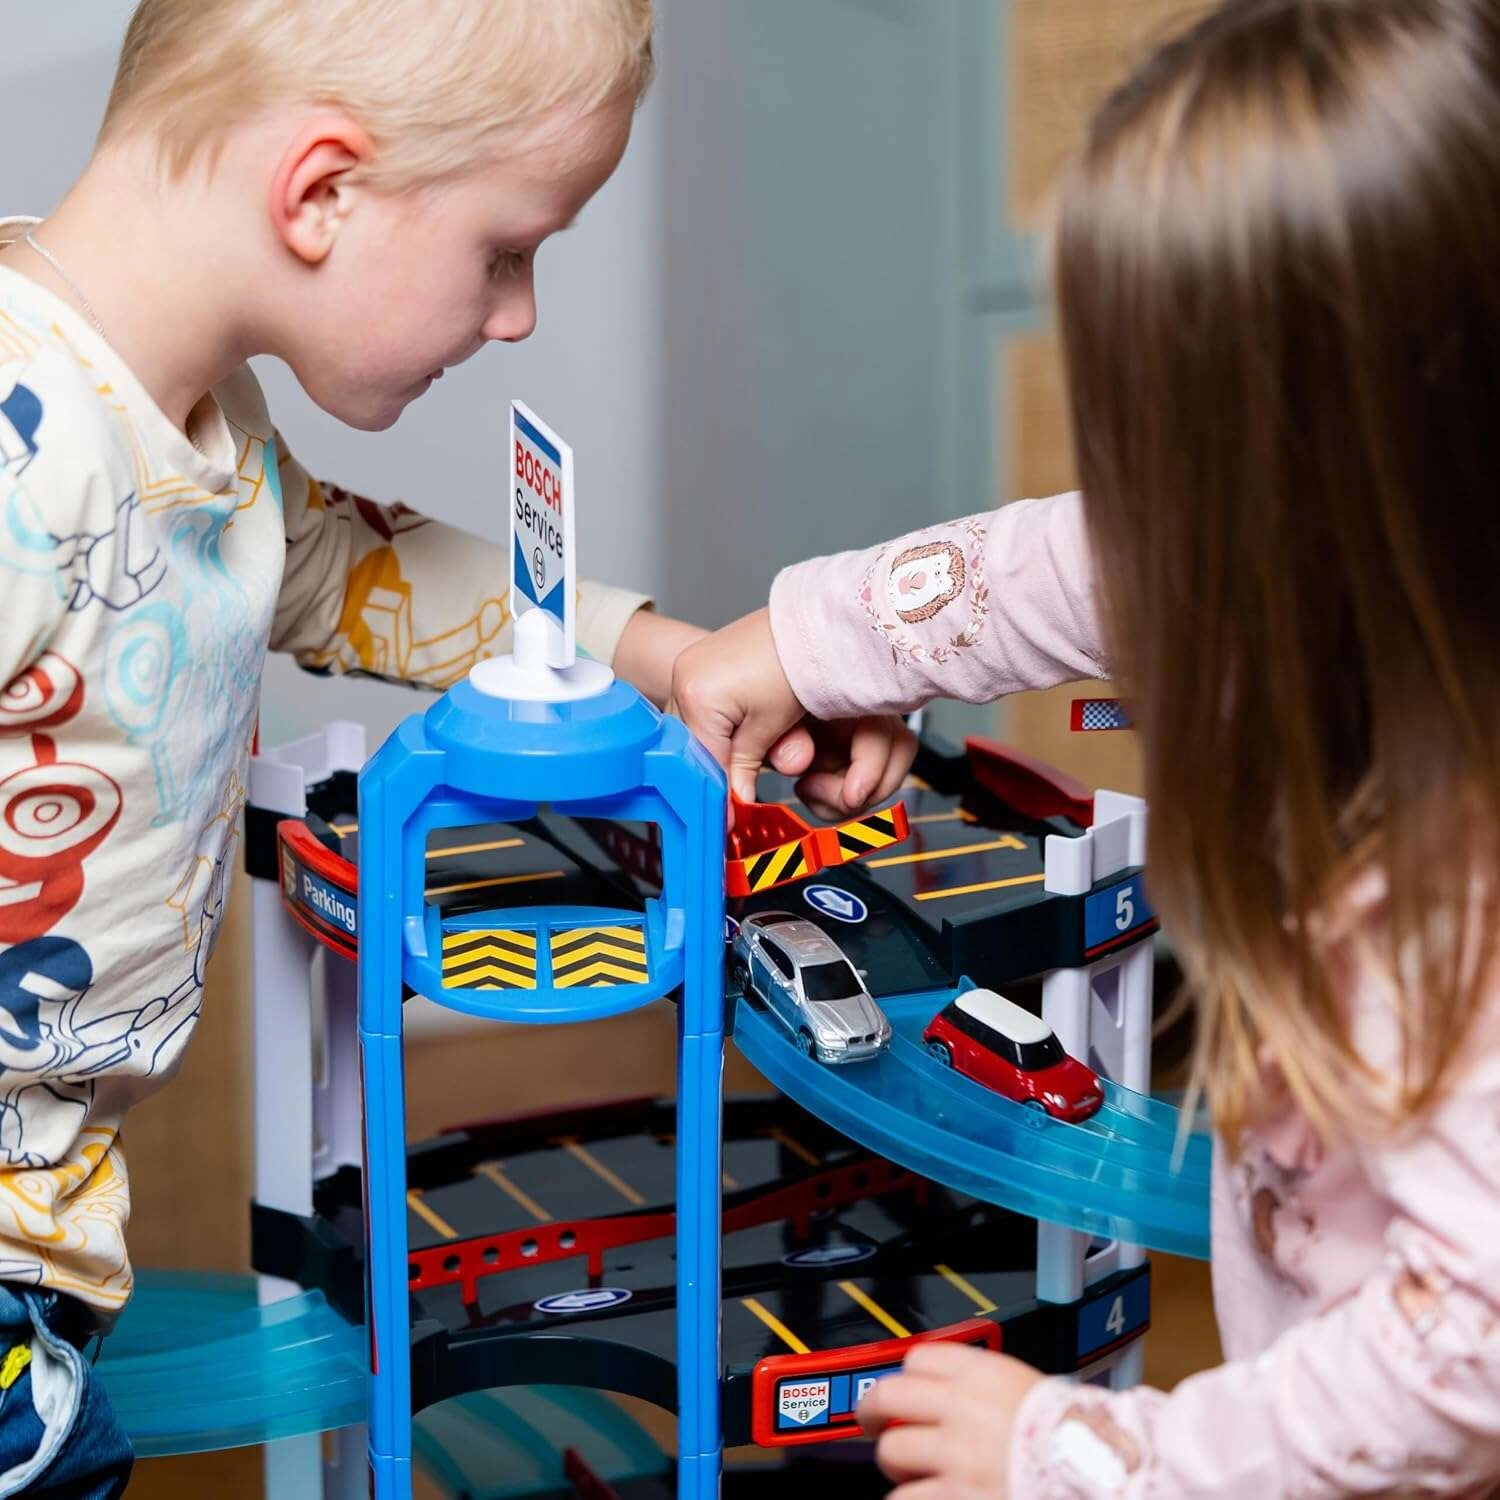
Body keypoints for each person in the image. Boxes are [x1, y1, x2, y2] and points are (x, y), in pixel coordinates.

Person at [670, 0, 1500, 1493]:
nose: (1129, 512)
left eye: (1156, 452)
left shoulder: (1452, 886)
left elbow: (1467, 1354)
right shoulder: (1328, 568)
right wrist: (809, 642)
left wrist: (1086, 1459)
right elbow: (1071, 569)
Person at [0, 0, 703, 1490]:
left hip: (50, 1225)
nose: (517, 313)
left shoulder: (208, 431)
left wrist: (659, 652)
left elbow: (349, 571)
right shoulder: (22, 454)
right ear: (320, 192)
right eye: (504, 251)